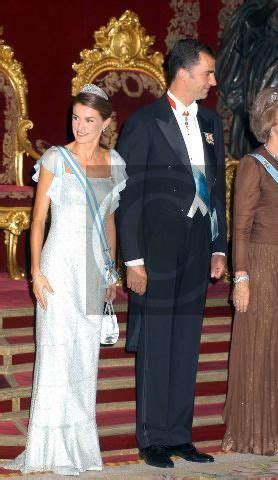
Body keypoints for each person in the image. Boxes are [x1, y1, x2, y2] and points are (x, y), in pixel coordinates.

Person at [4, 84, 127, 475]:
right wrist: (36, 273)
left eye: (90, 120)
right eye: (76, 117)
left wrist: (112, 271)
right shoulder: (56, 158)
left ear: (106, 122)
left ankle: (80, 449)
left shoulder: (115, 163)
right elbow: (37, 220)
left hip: (92, 268)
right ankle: (49, 449)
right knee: (56, 353)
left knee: (85, 356)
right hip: (57, 265)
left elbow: (109, 220)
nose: (81, 126)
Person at [117, 39, 227, 468]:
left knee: (187, 342)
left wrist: (219, 247)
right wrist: (134, 259)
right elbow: (128, 195)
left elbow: (215, 190)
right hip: (157, 251)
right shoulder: (145, 122)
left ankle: (180, 435)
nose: (213, 81)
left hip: (198, 247)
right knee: (158, 341)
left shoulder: (211, 122)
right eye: (208, 74)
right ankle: (153, 439)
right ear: (184, 73)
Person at [222, 85, 278, 455]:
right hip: (262, 261)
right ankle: (257, 433)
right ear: (269, 121)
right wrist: (240, 276)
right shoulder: (252, 165)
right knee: (262, 342)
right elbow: (240, 226)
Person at [216, 0, 278, 161]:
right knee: (275, 120)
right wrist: (271, 5)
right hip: (272, 64)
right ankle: (273, 173)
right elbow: (246, 27)